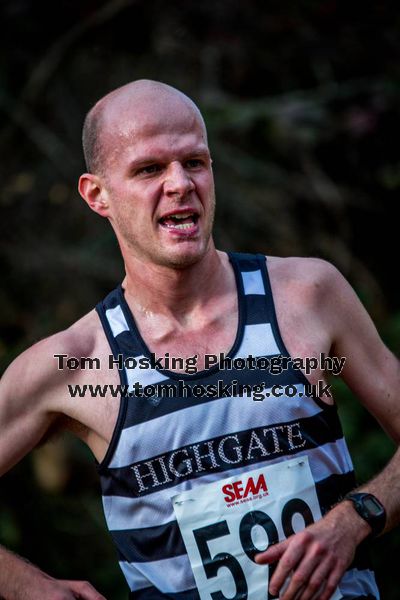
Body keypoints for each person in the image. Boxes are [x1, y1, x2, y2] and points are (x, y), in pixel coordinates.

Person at [0, 79, 399, 600]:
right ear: (97, 195)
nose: (180, 183)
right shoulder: (71, 365)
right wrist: (31, 587)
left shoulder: (307, 296)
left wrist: (356, 517)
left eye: (195, 162)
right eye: (149, 169)